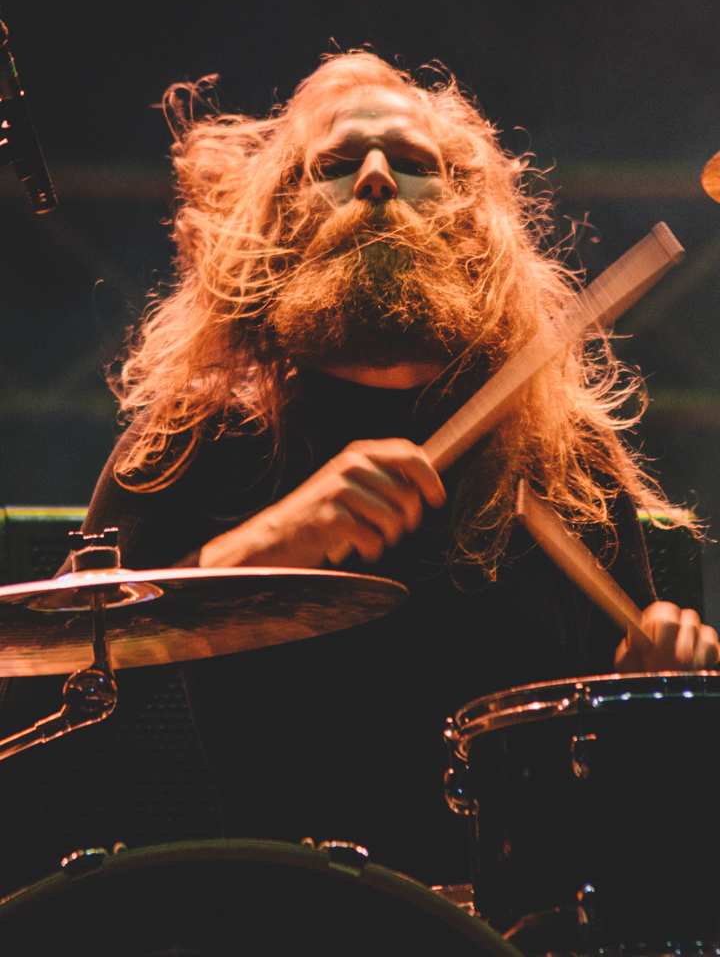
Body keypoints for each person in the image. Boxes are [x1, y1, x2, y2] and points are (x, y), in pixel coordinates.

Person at [74, 53, 719, 883]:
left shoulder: (562, 457)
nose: (376, 177)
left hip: (516, 926)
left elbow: (637, 800)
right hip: (281, 918)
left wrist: (655, 690)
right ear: (285, 217)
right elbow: (42, 693)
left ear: (468, 220)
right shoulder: (196, 440)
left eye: (414, 162)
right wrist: (265, 545)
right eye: (337, 165)